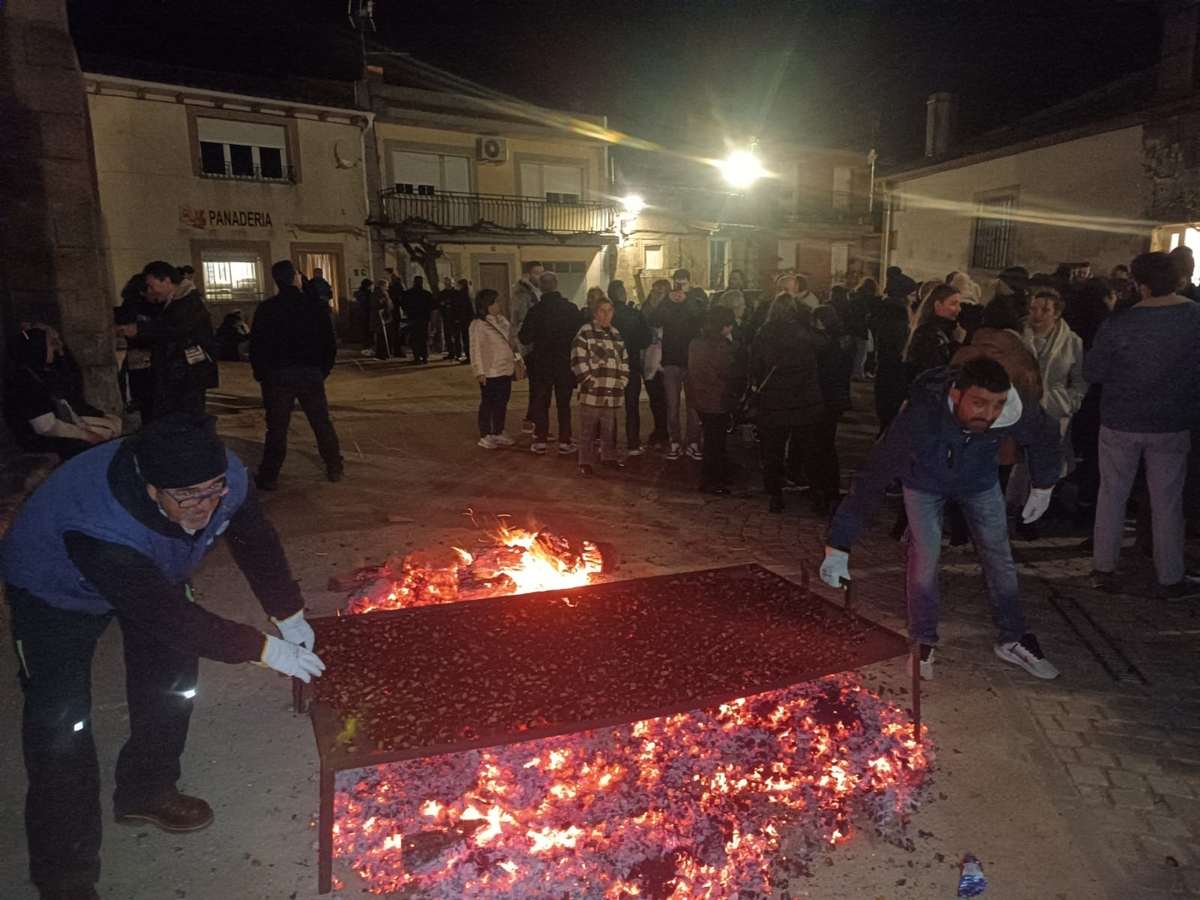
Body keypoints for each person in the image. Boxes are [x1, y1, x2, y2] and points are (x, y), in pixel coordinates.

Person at [0, 413, 325, 900]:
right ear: (151, 488)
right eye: (188, 496)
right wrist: (261, 649)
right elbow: (170, 617)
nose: (206, 505)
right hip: (54, 592)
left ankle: (147, 789)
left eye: (212, 489)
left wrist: (289, 612)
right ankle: (66, 872)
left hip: (155, 569)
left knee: (172, 686)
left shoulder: (227, 480)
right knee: (60, 725)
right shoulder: (98, 521)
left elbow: (254, 538)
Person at [821, 357, 1062, 681]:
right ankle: (922, 639)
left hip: (979, 481)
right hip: (923, 483)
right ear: (955, 396)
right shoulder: (922, 415)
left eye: (997, 405)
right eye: (979, 403)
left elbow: (1045, 434)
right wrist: (839, 545)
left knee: (999, 555)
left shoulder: (1015, 409)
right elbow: (874, 476)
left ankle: (1014, 637)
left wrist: (1044, 484)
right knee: (924, 555)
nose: (989, 415)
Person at [1084, 251, 1200, 599]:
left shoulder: (1122, 322)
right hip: (1172, 421)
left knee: (1112, 494)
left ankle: (1104, 566)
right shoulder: (1194, 318)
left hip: (1121, 419)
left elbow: (1093, 371)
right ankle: (1170, 576)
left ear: (1141, 285)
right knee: (1167, 501)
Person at [249, 260, 343, 490]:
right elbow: (328, 343)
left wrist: (261, 373)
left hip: (277, 375)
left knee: (277, 427)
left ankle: (269, 475)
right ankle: (334, 466)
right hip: (309, 372)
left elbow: (257, 346)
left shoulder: (267, 309)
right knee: (321, 422)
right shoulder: (313, 307)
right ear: (294, 278)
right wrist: (322, 370)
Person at [115, 261, 217, 421]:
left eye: (151, 285)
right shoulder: (172, 301)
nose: (150, 290)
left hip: (187, 374)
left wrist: (140, 330)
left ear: (166, 280)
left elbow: (175, 330)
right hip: (177, 373)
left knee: (186, 420)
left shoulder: (188, 301)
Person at [750, 294, 824, 513]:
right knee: (810, 451)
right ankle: (817, 493)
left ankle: (775, 494)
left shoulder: (763, 335)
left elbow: (756, 367)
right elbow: (825, 345)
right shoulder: (805, 334)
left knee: (772, 450)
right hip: (805, 401)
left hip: (774, 401)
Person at [4, 328, 123, 460]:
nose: (53, 348)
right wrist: (85, 435)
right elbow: (46, 427)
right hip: (40, 441)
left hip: (54, 430)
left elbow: (65, 394)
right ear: (38, 349)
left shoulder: (33, 374)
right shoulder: (25, 381)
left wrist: (82, 428)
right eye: (50, 344)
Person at [519, 271, 583, 456]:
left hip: (542, 364)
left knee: (541, 401)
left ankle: (541, 440)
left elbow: (524, 338)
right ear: (557, 284)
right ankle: (565, 441)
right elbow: (579, 335)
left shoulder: (536, 310)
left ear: (540, 287)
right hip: (564, 362)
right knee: (564, 403)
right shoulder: (570, 309)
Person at [686, 305, 745, 493]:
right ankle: (711, 481)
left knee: (711, 440)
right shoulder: (722, 347)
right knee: (715, 442)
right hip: (717, 399)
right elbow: (730, 372)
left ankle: (714, 477)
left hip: (700, 397)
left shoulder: (696, 342)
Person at [647, 274, 705, 460]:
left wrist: (686, 300)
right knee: (672, 405)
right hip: (671, 361)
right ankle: (675, 441)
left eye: (683, 283)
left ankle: (692, 441)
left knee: (693, 406)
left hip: (691, 361)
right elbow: (654, 320)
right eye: (677, 283)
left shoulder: (696, 299)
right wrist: (665, 301)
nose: (679, 287)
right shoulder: (668, 302)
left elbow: (700, 318)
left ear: (689, 283)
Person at [571, 292, 629, 476]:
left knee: (608, 428)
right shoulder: (585, 333)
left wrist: (623, 380)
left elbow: (624, 360)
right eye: (602, 311)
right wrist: (589, 381)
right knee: (588, 428)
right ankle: (585, 460)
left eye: (609, 311)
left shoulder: (616, 334)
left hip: (612, 390)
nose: (606, 315)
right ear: (595, 312)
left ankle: (608, 457)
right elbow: (578, 360)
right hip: (593, 391)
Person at [808, 305, 855, 512]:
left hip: (826, 397)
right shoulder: (846, 339)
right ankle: (827, 488)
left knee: (822, 445)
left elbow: (825, 372)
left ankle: (825, 489)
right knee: (825, 443)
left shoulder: (829, 344)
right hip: (838, 396)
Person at [868, 269, 916, 432]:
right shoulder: (896, 318)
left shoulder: (892, 314)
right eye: (911, 295)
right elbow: (896, 350)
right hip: (893, 374)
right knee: (890, 421)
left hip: (888, 372)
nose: (914, 299)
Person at [469, 289, 518, 449]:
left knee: (502, 402)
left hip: (506, 369)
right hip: (490, 371)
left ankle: (498, 431)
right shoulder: (478, 324)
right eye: (495, 302)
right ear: (487, 305)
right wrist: (479, 371)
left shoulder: (503, 321)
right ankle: (485, 434)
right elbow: (475, 349)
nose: (498, 305)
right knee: (488, 403)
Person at [609, 279, 653, 455]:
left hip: (610, 367)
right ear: (624, 294)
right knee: (632, 406)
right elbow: (646, 340)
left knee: (609, 407)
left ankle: (609, 443)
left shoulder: (605, 315)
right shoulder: (634, 315)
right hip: (631, 364)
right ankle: (633, 443)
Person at [115, 274, 156, 418]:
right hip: (143, 357)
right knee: (148, 398)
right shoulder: (138, 306)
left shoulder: (130, 304)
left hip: (136, 358)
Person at [903, 283, 964, 380]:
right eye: (953, 304)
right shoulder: (928, 333)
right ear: (938, 305)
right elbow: (939, 368)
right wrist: (957, 343)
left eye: (959, 304)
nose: (959, 309)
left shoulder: (947, 330)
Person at [640, 278, 672, 449]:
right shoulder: (644, 310)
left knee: (665, 398)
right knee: (654, 397)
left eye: (660, 292)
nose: (655, 295)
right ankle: (659, 429)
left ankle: (664, 431)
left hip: (664, 359)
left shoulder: (670, 311)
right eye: (653, 291)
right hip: (648, 357)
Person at [838, 278, 873, 379]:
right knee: (861, 353)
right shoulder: (865, 301)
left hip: (851, 329)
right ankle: (858, 373)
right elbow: (867, 315)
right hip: (862, 329)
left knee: (851, 352)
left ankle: (851, 372)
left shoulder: (851, 301)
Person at [401, 275, 436, 364]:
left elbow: (403, 305)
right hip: (424, 318)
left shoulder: (408, 294)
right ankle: (424, 357)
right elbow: (433, 306)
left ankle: (417, 357)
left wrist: (408, 312)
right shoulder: (427, 294)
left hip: (413, 318)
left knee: (415, 338)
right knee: (423, 338)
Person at [451, 279, 474, 364]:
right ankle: (469, 356)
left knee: (466, 339)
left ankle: (469, 357)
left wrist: (458, 318)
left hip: (464, 320)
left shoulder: (462, 294)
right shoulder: (469, 293)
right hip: (469, 319)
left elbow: (461, 308)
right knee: (468, 339)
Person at [436, 277, 460, 359]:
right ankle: (451, 352)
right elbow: (437, 303)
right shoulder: (442, 293)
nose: (448, 286)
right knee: (448, 336)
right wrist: (441, 304)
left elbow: (459, 305)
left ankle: (458, 353)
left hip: (455, 317)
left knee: (456, 336)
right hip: (446, 317)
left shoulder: (457, 293)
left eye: (449, 284)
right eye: (446, 284)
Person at [369, 281, 394, 360]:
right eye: (386, 286)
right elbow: (378, 305)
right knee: (381, 336)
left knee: (384, 336)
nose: (387, 288)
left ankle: (384, 352)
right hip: (379, 318)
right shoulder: (377, 295)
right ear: (381, 286)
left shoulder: (384, 294)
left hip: (385, 317)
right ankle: (380, 353)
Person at [354, 278, 374, 351]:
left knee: (366, 331)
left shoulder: (362, 294)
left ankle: (367, 345)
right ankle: (367, 346)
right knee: (367, 331)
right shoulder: (366, 294)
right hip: (366, 314)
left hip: (363, 314)